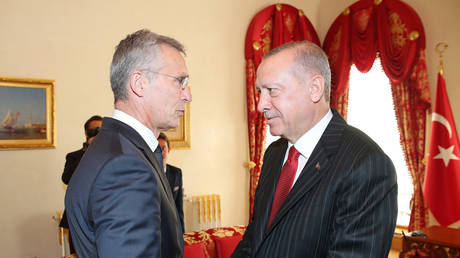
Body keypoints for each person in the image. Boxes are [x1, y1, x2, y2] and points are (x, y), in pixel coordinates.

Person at [232, 41, 397, 257]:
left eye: (272, 91)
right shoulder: (274, 154)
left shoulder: (367, 164)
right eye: (259, 92)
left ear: (314, 89)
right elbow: (255, 238)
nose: (261, 104)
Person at [65, 29, 192, 257]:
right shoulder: (125, 167)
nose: (188, 94)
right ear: (139, 83)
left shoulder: (114, 148)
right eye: (180, 82)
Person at [60, 115, 102, 254]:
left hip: (103, 216)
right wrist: (88, 151)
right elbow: (66, 178)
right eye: (95, 130)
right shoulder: (74, 156)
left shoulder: (111, 155)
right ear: (86, 133)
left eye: (102, 130)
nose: (98, 133)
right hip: (78, 218)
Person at [158, 132, 184, 230]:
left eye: (163, 148)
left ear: (169, 150)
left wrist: (182, 234)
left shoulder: (177, 173)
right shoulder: (149, 173)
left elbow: (179, 207)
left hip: (173, 227)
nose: (161, 153)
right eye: (157, 149)